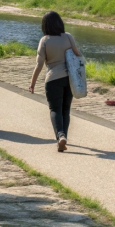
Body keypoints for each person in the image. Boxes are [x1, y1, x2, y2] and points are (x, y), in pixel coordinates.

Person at [29, 11, 82, 153]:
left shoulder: (44, 41)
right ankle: (64, 138)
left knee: (55, 109)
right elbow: (78, 55)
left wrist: (32, 83)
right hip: (69, 79)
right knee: (65, 109)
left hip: (53, 79)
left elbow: (39, 64)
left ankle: (60, 136)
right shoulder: (68, 37)